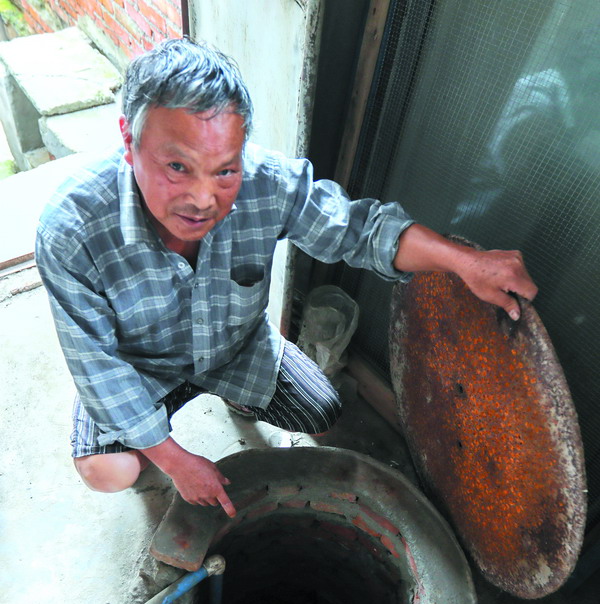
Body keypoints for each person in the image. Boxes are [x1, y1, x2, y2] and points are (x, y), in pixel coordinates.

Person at [36, 37, 537, 520]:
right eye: (177, 166)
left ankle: (229, 392)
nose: (204, 198)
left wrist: (465, 262)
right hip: (136, 369)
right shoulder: (71, 228)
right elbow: (98, 364)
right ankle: (145, 432)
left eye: (225, 170)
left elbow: (358, 229)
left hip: (231, 350)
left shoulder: (267, 183)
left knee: (319, 411)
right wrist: (179, 462)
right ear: (129, 139)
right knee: (111, 471)